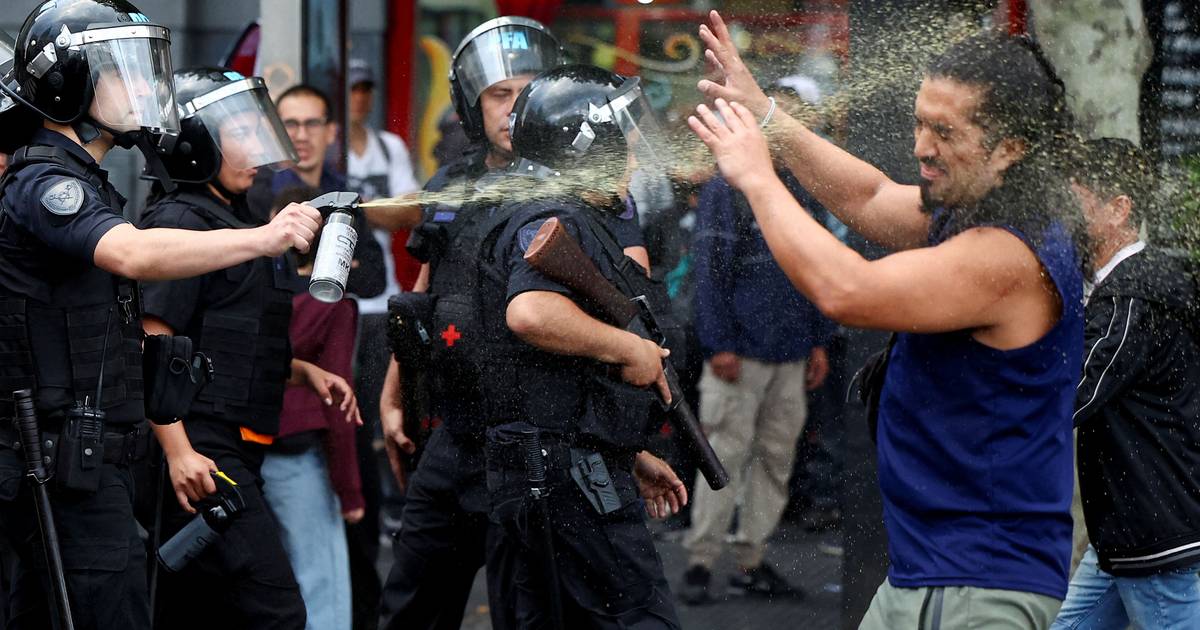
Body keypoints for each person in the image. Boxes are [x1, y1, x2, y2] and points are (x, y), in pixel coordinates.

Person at [689, 12, 1088, 628]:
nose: (921, 147)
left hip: (974, 588)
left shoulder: (1009, 252)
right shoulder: (976, 205)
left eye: (945, 132)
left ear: (1010, 149)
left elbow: (847, 290)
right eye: (919, 123)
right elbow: (870, 198)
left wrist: (756, 176)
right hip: (927, 575)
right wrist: (766, 116)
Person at [0, 3, 323, 628]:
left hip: (86, 460)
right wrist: (265, 237)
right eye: (124, 73)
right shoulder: (44, 180)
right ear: (68, 80)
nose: (146, 89)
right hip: (61, 467)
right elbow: (130, 252)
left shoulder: (83, 177)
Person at [136, 67, 360, 630]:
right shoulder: (183, 221)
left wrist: (303, 372)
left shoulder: (232, 219)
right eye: (240, 133)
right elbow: (151, 340)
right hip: (204, 449)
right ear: (195, 145)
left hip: (230, 445)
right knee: (275, 609)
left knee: (201, 611)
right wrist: (179, 451)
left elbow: (226, 342)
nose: (256, 150)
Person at [377, 17, 566, 630]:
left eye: (527, 90)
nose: (513, 109)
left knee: (528, 613)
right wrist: (392, 394)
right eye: (498, 94)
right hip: (454, 436)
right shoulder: (451, 182)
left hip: (540, 442)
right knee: (411, 604)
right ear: (473, 105)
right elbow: (422, 291)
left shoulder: (582, 182)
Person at [483, 63, 687, 628]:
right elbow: (530, 313)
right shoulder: (555, 217)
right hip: (562, 475)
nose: (635, 159)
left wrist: (628, 452)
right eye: (622, 145)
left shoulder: (557, 214)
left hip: (552, 464)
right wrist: (629, 349)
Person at [1049, 138, 1200, 630]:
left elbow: (1071, 395)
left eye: (1077, 204)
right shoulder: (1151, 279)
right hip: (1128, 532)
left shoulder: (1129, 298)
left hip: (1157, 541)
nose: (1065, 218)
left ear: (1119, 209)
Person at [681, 163, 834, 604]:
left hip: (789, 353)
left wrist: (818, 341)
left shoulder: (798, 184)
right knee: (722, 461)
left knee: (773, 461)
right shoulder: (725, 187)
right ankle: (700, 562)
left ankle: (750, 561)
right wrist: (719, 344)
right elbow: (707, 270)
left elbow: (817, 263)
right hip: (739, 354)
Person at [262, 186, 363, 630]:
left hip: (244, 451)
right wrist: (351, 492)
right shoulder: (333, 305)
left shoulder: (261, 292)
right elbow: (338, 403)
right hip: (301, 459)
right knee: (322, 587)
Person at [345, 57, 421, 537]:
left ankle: (390, 499)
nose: (362, 97)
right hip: (335, 299)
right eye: (354, 88)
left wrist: (357, 205)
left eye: (367, 88)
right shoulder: (329, 150)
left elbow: (409, 212)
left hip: (379, 297)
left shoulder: (387, 147)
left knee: (382, 402)